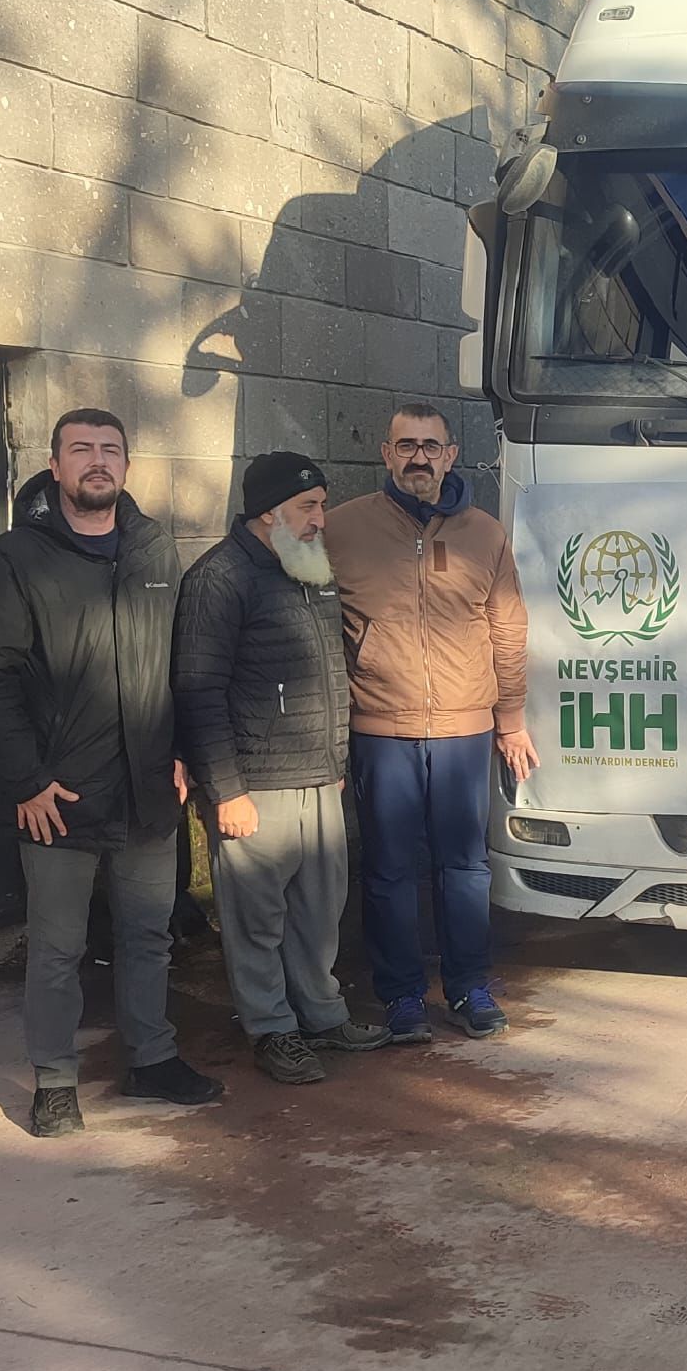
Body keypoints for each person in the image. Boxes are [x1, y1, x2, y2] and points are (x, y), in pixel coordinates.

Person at [0, 409, 223, 1137]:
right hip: (60, 796)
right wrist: (25, 780)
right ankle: (53, 1080)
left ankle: (151, 1057)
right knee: (58, 947)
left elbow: (181, 667)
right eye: (82, 450)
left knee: (150, 934)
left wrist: (181, 755)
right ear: (55, 465)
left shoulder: (152, 552)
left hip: (146, 791)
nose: (97, 461)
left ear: (128, 467)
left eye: (111, 450)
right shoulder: (15, 557)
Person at [173, 453, 391, 1084]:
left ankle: (322, 1014)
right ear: (267, 512)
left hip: (319, 775)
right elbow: (198, 690)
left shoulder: (308, 569)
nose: (320, 518)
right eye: (307, 507)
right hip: (255, 785)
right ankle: (271, 1027)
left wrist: (336, 759)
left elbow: (328, 670)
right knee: (258, 918)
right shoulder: (219, 578)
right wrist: (226, 791)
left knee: (320, 910)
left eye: (321, 504)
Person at [323, 404, 534, 1043]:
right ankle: (402, 998)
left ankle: (470, 988)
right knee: (387, 870)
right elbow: (299, 615)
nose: (419, 457)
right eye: (406, 446)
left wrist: (511, 718)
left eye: (431, 446)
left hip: (464, 730)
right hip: (380, 729)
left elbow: (508, 627)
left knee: (465, 866)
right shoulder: (339, 529)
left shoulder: (484, 534)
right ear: (386, 455)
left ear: (450, 454)